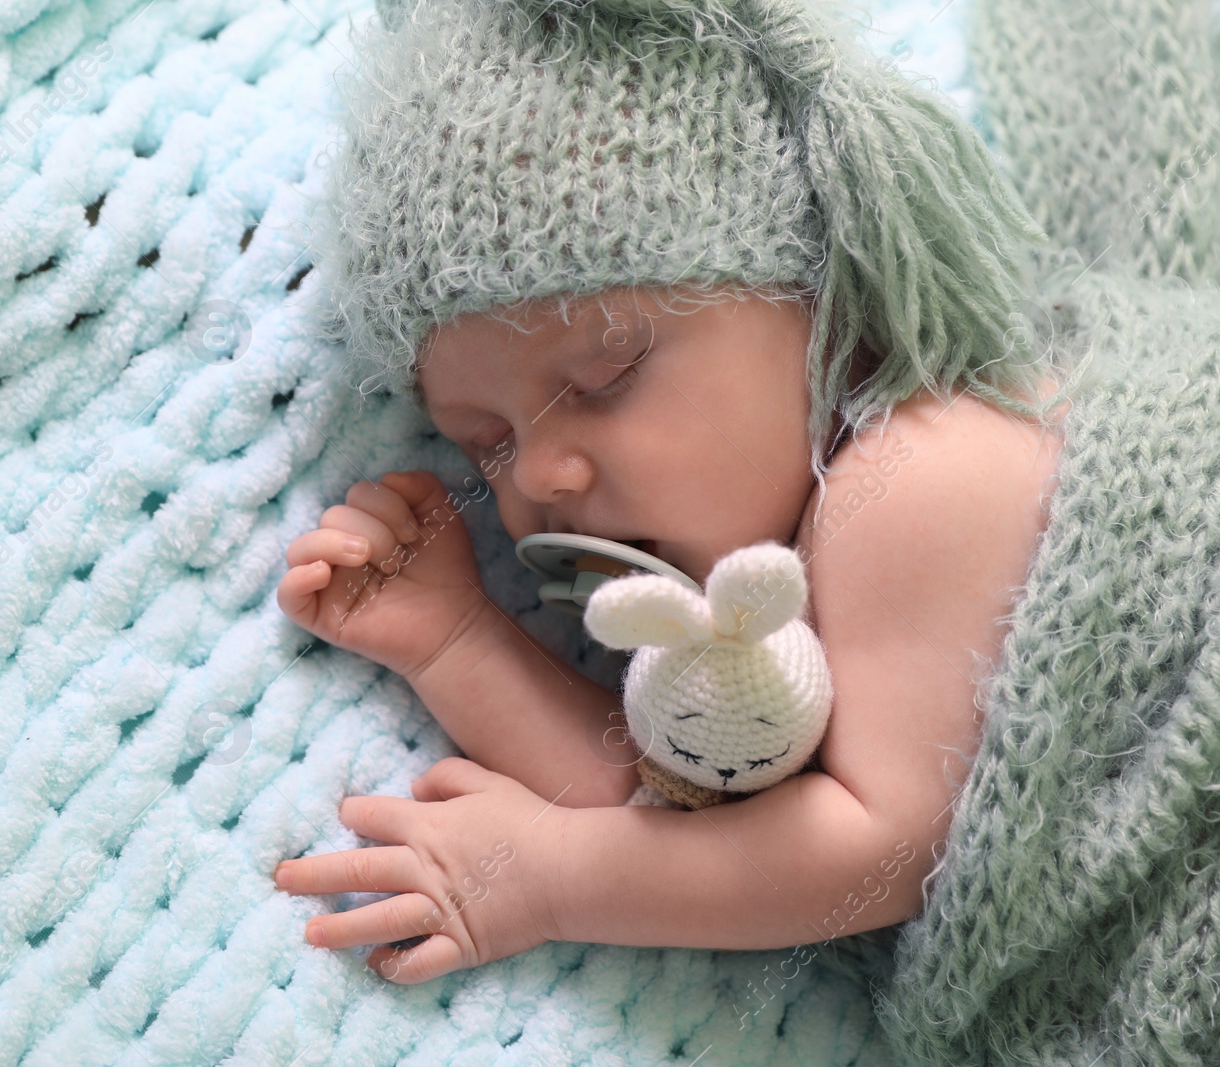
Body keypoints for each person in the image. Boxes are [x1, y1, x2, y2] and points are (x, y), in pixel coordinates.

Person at [272, 0, 1078, 985]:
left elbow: (880, 849)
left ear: (819, 298)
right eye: (483, 441)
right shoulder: (752, 605)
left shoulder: (934, 458)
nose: (537, 473)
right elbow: (693, 824)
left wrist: (546, 880)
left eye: (604, 377)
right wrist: (454, 640)